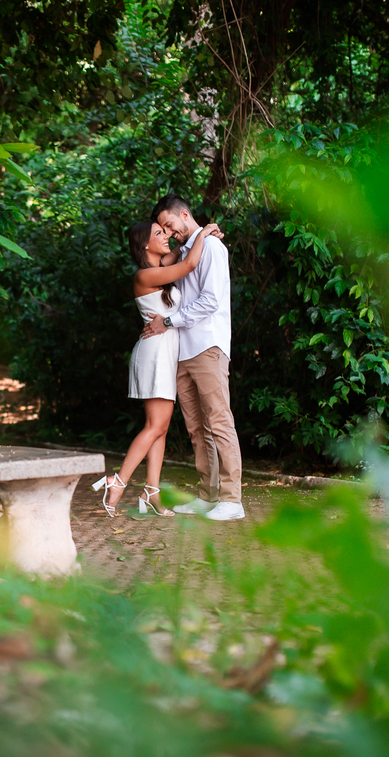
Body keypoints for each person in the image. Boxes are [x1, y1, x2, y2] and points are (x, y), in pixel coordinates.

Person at [92, 219, 223, 517]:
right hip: (154, 354)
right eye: (159, 233)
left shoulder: (161, 266)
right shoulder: (144, 276)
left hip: (165, 353)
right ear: (144, 245)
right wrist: (204, 230)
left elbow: (180, 252)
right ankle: (117, 482)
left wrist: (197, 235)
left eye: (166, 231)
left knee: (161, 429)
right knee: (155, 426)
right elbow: (189, 263)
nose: (166, 236)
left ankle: (152, 492)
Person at [140, 194, 244, 521]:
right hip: (182, 351)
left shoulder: (212, 248)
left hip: (207, 346)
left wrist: (168, 321)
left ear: (185, 214)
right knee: (197, 429)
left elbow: (210, 301)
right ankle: (207, 496)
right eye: (163, 229)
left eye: (170, 225)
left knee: (219, 421)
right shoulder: (186, 251)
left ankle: (232, 499)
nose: (169, 232)